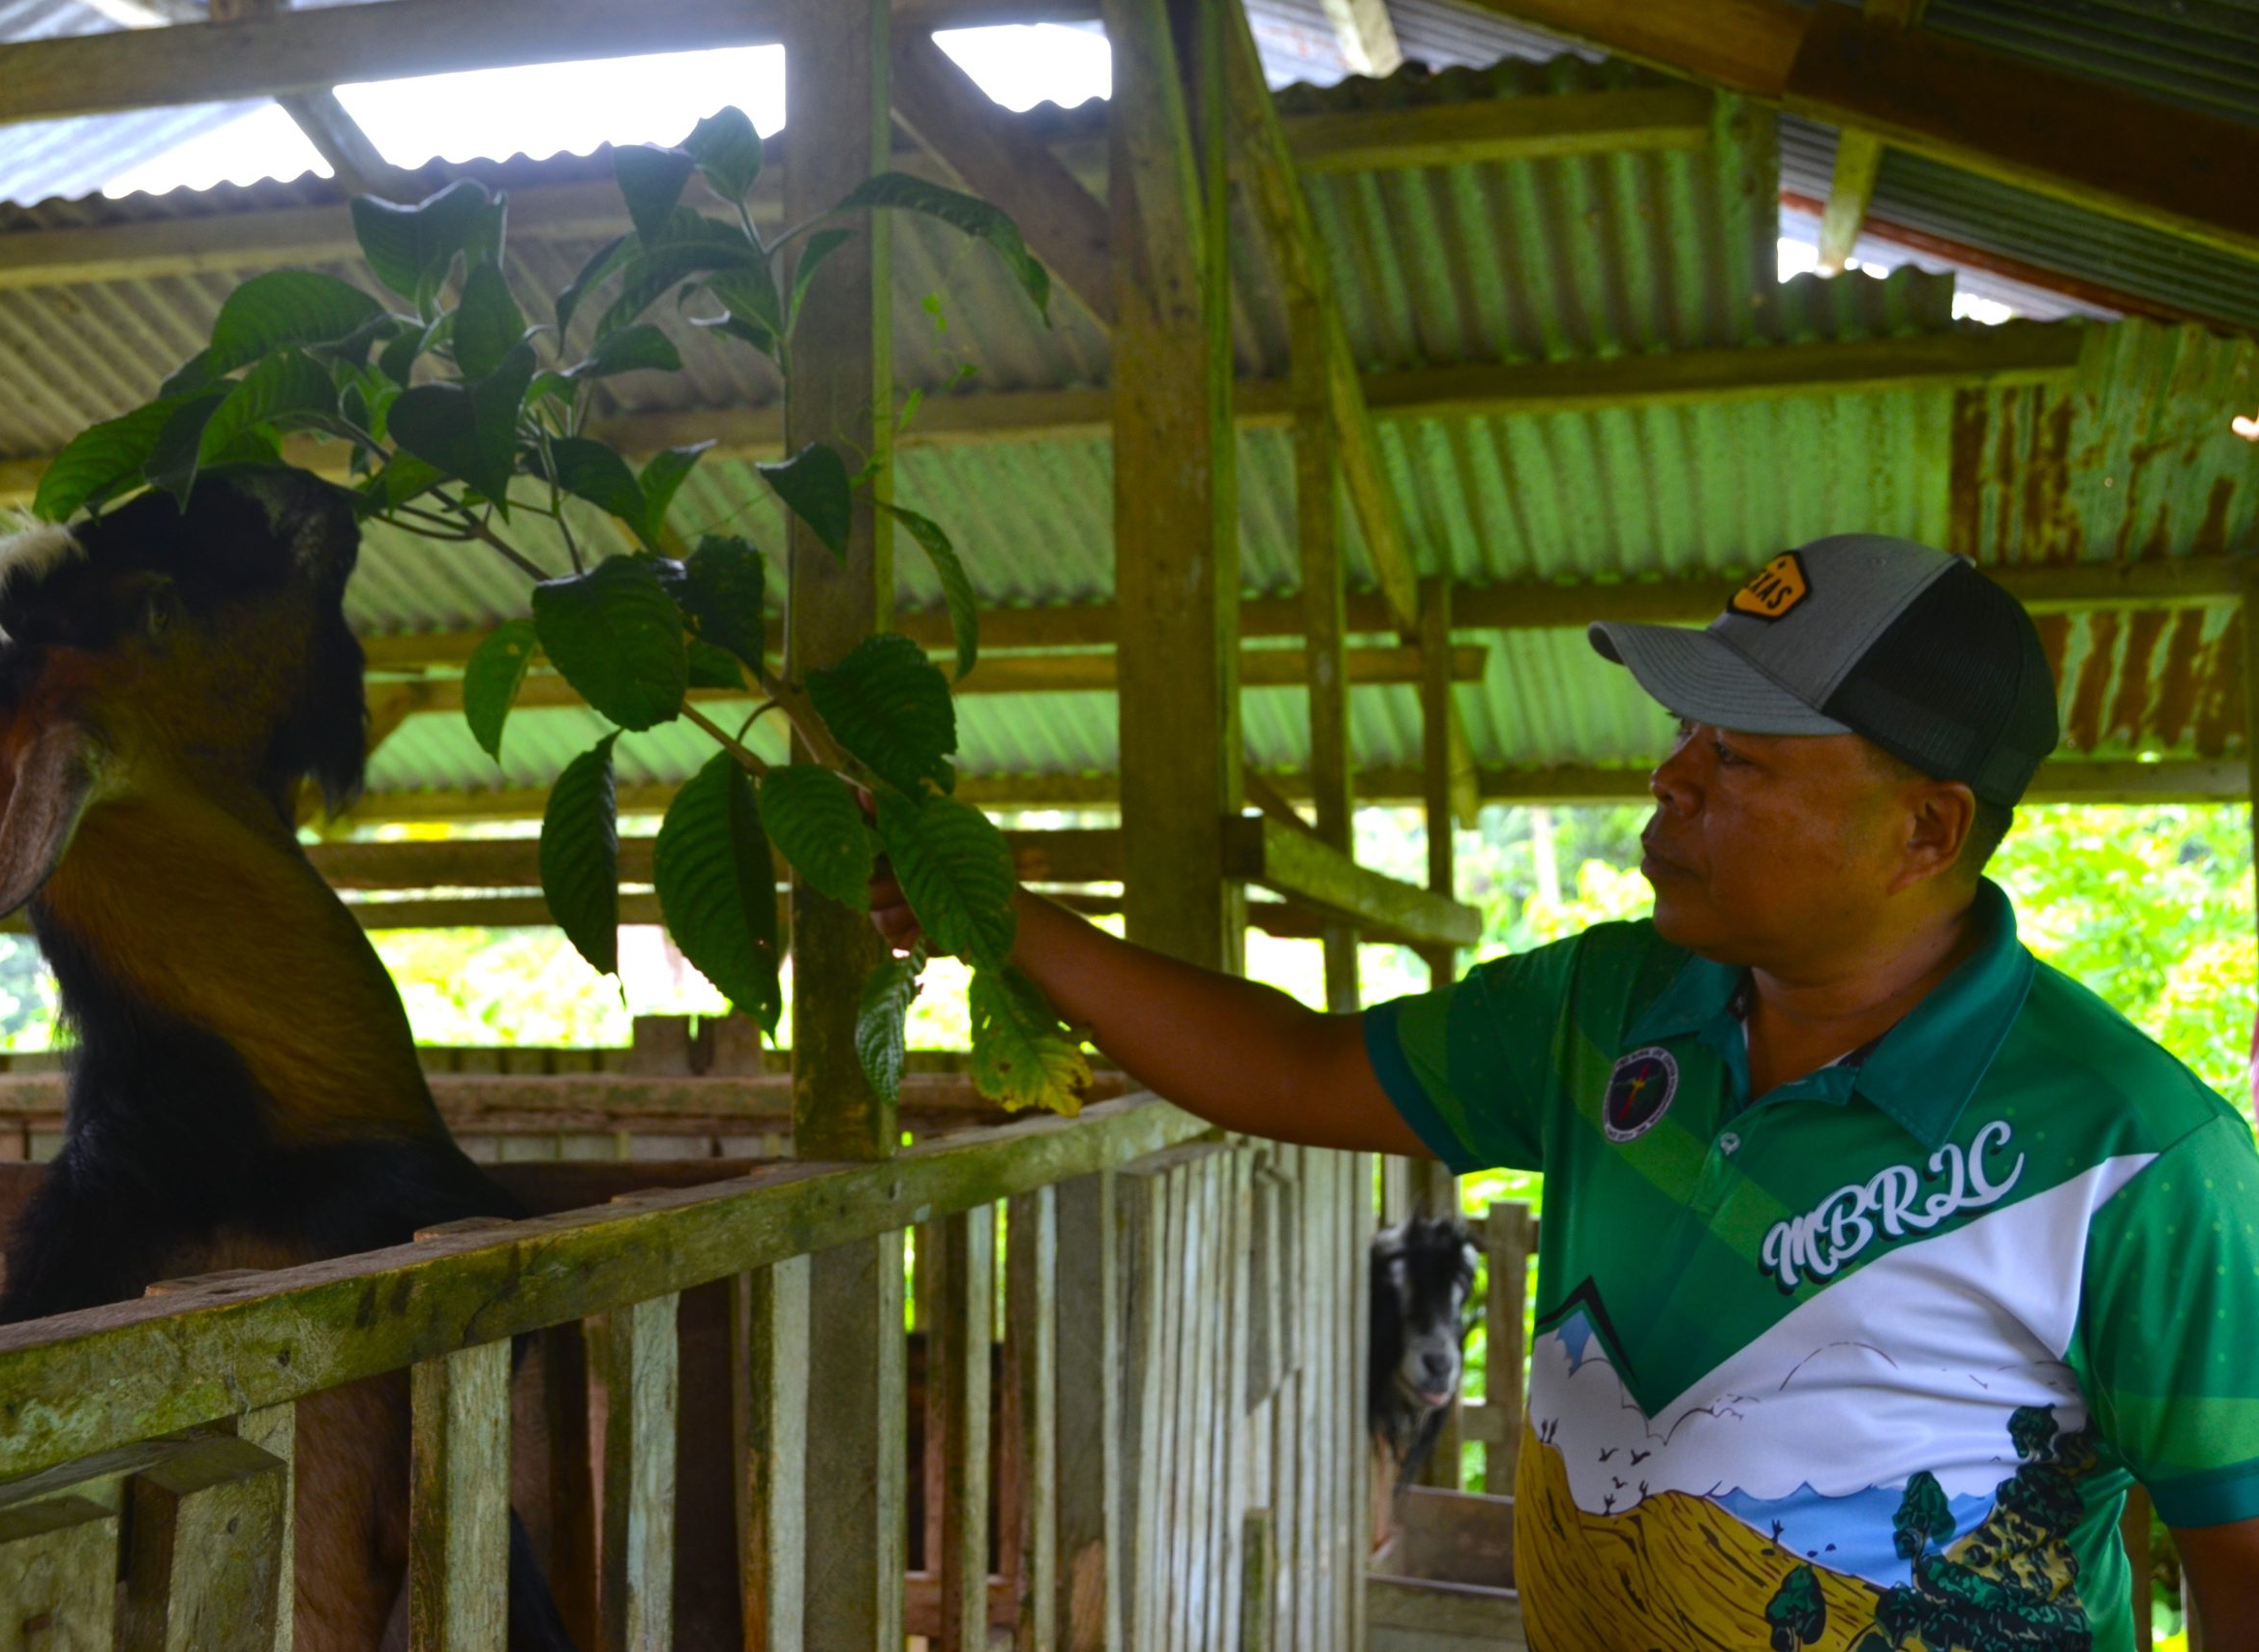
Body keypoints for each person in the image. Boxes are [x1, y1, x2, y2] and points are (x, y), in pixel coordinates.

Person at [870, 535, 2259, 1650]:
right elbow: (1295, 1069)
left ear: (1923, 830)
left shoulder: (2138, 1156)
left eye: (1739, 758)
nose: (1668, 779)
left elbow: (2238, 1566)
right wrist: (996, 912)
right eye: (1685, 732)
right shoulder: (1607, 1007)